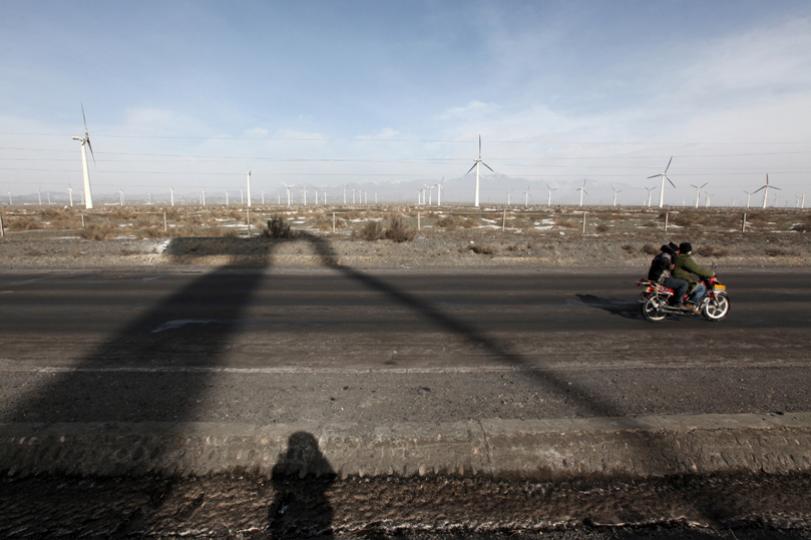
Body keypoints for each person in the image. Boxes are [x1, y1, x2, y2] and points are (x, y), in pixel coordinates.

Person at [673, 241, 715, 312]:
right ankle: (690, 304)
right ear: (689, 251)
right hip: (682, 278)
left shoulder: (678, 257)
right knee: (701, 288)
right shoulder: (685, 259)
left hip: (677, 277)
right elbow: (697, 269)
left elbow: (693, 268)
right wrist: (711, 273)